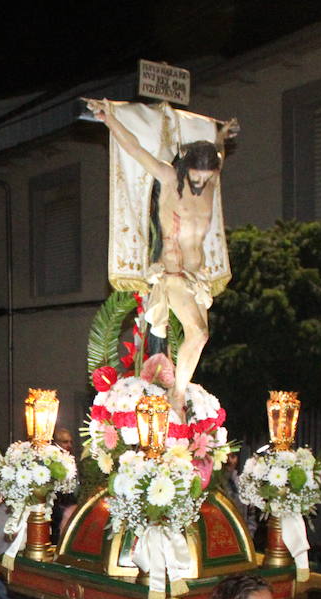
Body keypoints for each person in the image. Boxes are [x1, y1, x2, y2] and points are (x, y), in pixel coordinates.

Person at [87, 98, 237, 413]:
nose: (200, 184)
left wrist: (222, 135)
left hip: (197, 278)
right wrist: (109, 118)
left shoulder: (210, 180)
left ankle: (177, 392)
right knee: (198, 333)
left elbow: (219, 155)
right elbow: (135, 150)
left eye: (206, 178)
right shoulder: (170, 178)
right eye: (196, 177)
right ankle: (177, 397)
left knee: (200, 339)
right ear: (185, 168)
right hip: (174, 274)